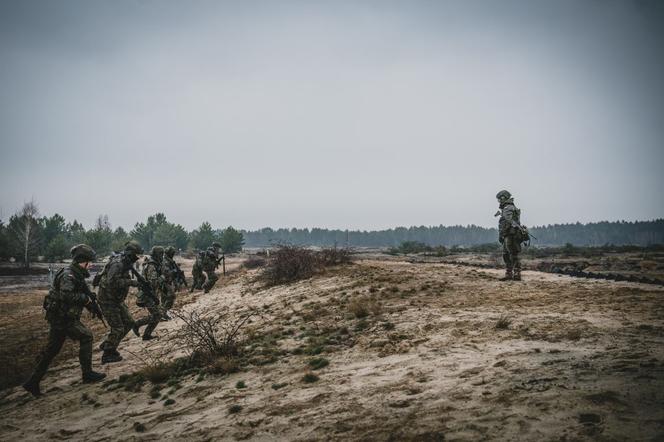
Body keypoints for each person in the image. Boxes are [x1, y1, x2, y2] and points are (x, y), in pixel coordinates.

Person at [22, 244, 106, 397]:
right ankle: (87, 374)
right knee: (87, 336)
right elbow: (66, 296)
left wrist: (91, 304)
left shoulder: (76, 274)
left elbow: (79, 294)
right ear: (83, 261)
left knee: (51, 351)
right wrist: (85, 300)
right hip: (63, 318)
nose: (92, 264)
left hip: (61, 317)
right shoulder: (69, 275)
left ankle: (32, 382)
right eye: (90, 262)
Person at [97, 240, 143, 363]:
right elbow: (112, 282)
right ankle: (108, 354)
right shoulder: (117, 264)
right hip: (107, 300)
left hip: (116, 299)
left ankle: (109, 344)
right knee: (118, 328)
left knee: (129, 323)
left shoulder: (125, 262)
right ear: (130, 253)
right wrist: (131, 282)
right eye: (136, 255)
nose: (137, 258)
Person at [133, 246, 165, 340]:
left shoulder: (154, 264)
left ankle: (147, 335)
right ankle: (137, 324)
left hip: (151, 294)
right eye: (161, 254)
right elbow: (153, 283)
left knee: (158, 315)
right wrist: (162, 278)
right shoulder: (151, 265)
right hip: (148, 295)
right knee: (158, 315)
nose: (162, 256)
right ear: (156, 254)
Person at [496, 190, 523, 281]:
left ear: (504, 197)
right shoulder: (507, 207)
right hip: (507, 235)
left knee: (513, 254)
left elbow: (509, 221)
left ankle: (516, 274)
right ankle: (509, 274)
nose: (499, 201)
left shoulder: (509, 207)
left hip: (511, 235)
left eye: (500, 199)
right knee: (506, 255)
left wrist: (503, 233)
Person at [160, 246, 182, 319]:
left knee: (164, 298)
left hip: (168, 281)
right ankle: (163, 313)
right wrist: (174, 271)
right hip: (164, 281)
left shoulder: (170, 261)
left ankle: (163, 313)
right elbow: (166, 273)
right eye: (172, 253)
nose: (173, 254)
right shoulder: (165, 261)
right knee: (171, 296)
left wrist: (176, 283)